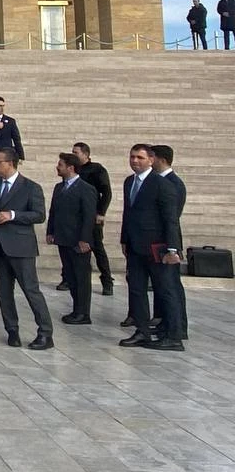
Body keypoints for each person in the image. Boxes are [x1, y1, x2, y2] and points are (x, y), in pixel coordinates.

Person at [0, 148, 53, 349]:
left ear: (10, 163)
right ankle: (12, 330)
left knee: (30, 289)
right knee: (4, 291)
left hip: (21, 247)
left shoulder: (30, 187)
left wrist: (12, 215)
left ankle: (45, 332)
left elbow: (38, 215)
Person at [118, 144, 183, 351]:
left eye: (140, 157)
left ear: (151, 160)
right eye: (132, 157)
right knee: (137, 290)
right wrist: (124, 240)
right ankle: (142, 330)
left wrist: (173, 249)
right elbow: (128, 213)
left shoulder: (162, 185)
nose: (135, 161)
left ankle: (174, 336)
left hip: (158, 247)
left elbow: (170, 219)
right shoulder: (129, 182)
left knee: (165, 291)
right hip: (136, 246)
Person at [46, 153, 96, 325]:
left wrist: (85, 239)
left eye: (60, 164)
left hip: (78, 241)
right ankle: (76, 309)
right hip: (63, 238)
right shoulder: (59, 188)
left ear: (71, 168)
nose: (57, 167)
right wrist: (50, 231)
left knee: (81, 278)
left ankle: (83, 312)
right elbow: (53, 211)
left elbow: (89, 217)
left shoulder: (86, 189)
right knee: (71, 276)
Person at [151, 145, 188, 341]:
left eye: (152, 157)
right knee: (164, 287)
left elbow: (172, 217)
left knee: (171, 286)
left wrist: (172, 247)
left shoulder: (173, 183)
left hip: (168, 242)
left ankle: (177, 328)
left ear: (161, 159)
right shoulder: (160, 182)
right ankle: (166, 323)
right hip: (159, 241)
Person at [72, 142, 115, 296]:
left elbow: (107, 192)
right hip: (75, 215)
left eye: (76, 152)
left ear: (85, 154)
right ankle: (67, 278)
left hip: (92, 215)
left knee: (97, 248)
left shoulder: (97, 169)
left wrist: (101, 212)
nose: (73, 155)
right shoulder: (73, 169)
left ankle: (107, 281)